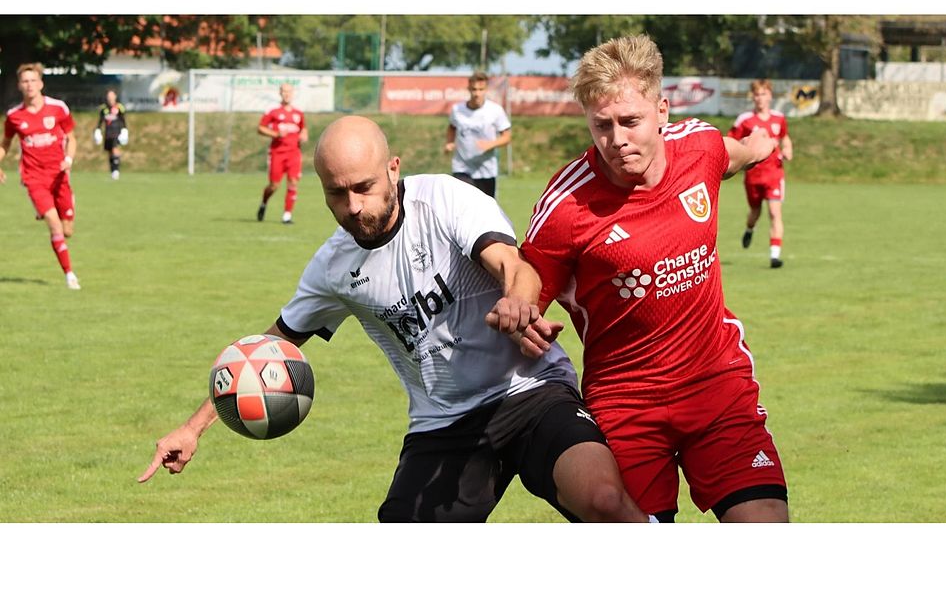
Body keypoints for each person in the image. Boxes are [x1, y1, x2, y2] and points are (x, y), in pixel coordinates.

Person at [140, 115, 650, 524]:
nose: (353, 206)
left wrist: (517, 302)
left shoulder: (445, 201)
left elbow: (511, 264)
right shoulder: (332, 267)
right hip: (444, 422)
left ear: (393, 169)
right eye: (336, 194)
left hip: (530, 390)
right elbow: (268, 348)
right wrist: (194, 427)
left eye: (363, 187)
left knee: (603, 501)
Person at [519, 35, 789, 522]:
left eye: (630, 121)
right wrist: (517, 313)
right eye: (602, 125)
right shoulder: (566, 208)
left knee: (765, 518)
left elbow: (731, 154)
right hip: (626, 402)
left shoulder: (699, 147)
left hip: (717, 384)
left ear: (662, 111)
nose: (616, 139)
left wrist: (759, 146)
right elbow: (525, 279)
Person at [0, 63, 81, 290]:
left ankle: (56, 206)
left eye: (33, 80)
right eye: (25, 81)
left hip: (59, 176)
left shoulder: (58, 108)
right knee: (55, 227)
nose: (29, 85)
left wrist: (68, 160)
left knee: (67, 231)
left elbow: (71, 138)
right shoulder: (14, 116)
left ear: (41, 83)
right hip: (34, 177)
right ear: (19, 85)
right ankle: (70, 275)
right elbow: (5, 144)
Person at [727, 79, 794, 268]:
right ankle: (749, 229)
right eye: (757, 94)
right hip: (753, 176)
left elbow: (785, 137)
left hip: (775, 174)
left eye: (764, 94)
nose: (760, 98)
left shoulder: (779, 118)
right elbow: (731, 141)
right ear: (753, 97)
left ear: (770, 96)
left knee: (775, 213)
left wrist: (788, 149)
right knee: (755, 212)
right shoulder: (745, 120)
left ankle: (775, 256)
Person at [444, 71, 511, 199]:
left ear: (486, 90)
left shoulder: (495, 110)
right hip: (462, 168)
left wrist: (490, 144)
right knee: (461, 206)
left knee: (485, 211)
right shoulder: (457, 110)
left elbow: (507, 137)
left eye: (481, 89)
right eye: (474, 89)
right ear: (469, 88)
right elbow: (452, 127)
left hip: (486, 170)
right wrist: (450, 142)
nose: (477, 93)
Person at [256, 83, 308, 224]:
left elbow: (303, 129)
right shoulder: (273, 111)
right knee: (274, 185)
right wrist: (275, 133)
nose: (287, 94)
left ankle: (287, 215)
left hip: (294, 153)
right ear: (280, 93)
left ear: (293, 93)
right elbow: (260, 128)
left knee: (293, 183)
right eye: (284, 91)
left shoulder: (298, 113)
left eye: (289, 91)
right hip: (277, 153)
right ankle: (264, 202)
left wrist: (304, 135)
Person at [94, 89, 129, 180]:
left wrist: (124, 130)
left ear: (115, 97)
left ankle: (116, 171)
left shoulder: (119, 107)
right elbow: (100, 121)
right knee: (109, 152)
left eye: (112, 96)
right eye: (108, 96)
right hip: (108, 133)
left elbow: (123, 120)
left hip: (116, 132)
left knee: (115, 150)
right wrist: (98, 130)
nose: (110, 98)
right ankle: (112, 170)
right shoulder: (104, 109)